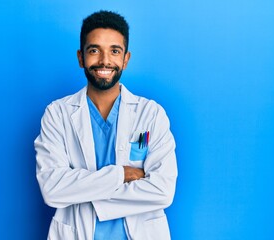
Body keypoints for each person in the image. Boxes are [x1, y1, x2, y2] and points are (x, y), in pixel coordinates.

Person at [34, 10, 178, 240]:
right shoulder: (57, 114)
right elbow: (52, 189)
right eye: (94, 50)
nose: (104, 60)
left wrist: (80, 190)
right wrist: (120, 175)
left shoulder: (150, 114)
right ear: (81, 58)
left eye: (114, 51)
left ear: (125, 59)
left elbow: (162, 191)